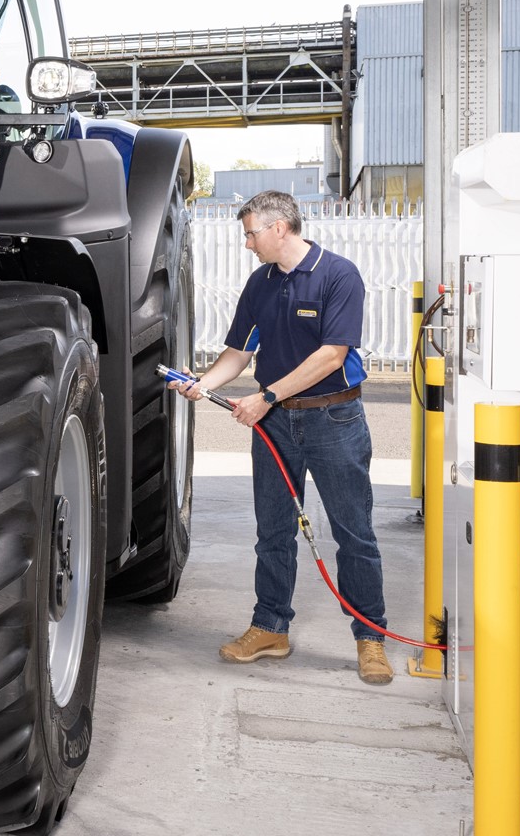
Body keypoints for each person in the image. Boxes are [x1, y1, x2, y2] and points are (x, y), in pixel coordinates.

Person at [169, 190, 392, 685]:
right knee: (273, 532)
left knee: (353, 533)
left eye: (251, 233)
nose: (247, 243)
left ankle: (370, 638)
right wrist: (202, 383)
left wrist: (265, 398)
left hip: (333, 419)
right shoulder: (260, 283)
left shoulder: (338, 275)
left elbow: (331, 356)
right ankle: (270, 627)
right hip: (276, 426)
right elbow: (238, 352)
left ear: (280, 228)